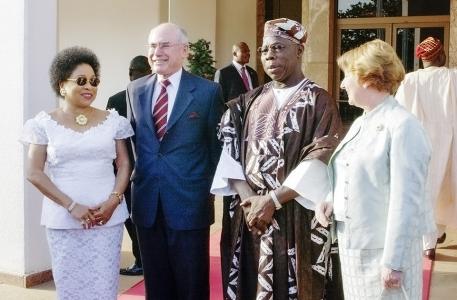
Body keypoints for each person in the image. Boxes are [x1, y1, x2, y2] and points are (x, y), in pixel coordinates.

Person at [211, 18, 343, 299]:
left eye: (279, 47)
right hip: (250, 219)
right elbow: (229, 150)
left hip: (295, 216)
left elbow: (320, 157)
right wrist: (251, 203)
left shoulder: (319, 100)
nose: (269, 55)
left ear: (299, 51)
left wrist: (272, 201)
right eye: (264, 49)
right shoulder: (248, 101)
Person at [316, 39, 436, 299]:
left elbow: (407, 199)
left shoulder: (402, 125)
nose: (342, 84)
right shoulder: (363, 121)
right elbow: (352, 170)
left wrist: (394, 262)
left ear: (367, 77)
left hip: (385, 256)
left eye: (347, 76)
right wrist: (331, 200)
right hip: (355, 250)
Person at [20, 46, 133, 299]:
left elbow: (124, 164)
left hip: (108, 219)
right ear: (62, 85)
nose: (89, 87)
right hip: (63, 220)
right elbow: (34, 172)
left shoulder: (114, 120)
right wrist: (71, 206)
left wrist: (113, 201)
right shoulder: (42, 124)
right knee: (70, 289)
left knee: (104, 288)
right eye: (81, 81)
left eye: (94, 81)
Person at [126, 23, 223, 300]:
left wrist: (212, 195)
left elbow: (216, 150)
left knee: (192, 285)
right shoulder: (135, 90)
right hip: (146, 204)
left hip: (189, 204)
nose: (157, 52)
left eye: (165, 45)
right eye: (152, 46)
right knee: (156, 286)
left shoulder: (207, 92)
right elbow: (134, 146)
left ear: (184, 50)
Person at [396, 36, 457, 260]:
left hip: (419, 144)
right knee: (445, 190)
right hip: (450, 143)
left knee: (426, 190)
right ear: (441, 55)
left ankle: (430, 240)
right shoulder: (453, 77)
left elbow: (399, 115)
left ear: (422, 59)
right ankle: (434, 236)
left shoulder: (410, 80)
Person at [107, 55, 151, 276]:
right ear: (130, 74)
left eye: (145, 75)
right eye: (137, 75)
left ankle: (148, 259)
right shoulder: (115, 101)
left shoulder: (156, 97)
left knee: (147, 218)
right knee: (130, 219)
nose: (141, 79)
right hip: (124, 172)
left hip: (151, 171)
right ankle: (140, 259)